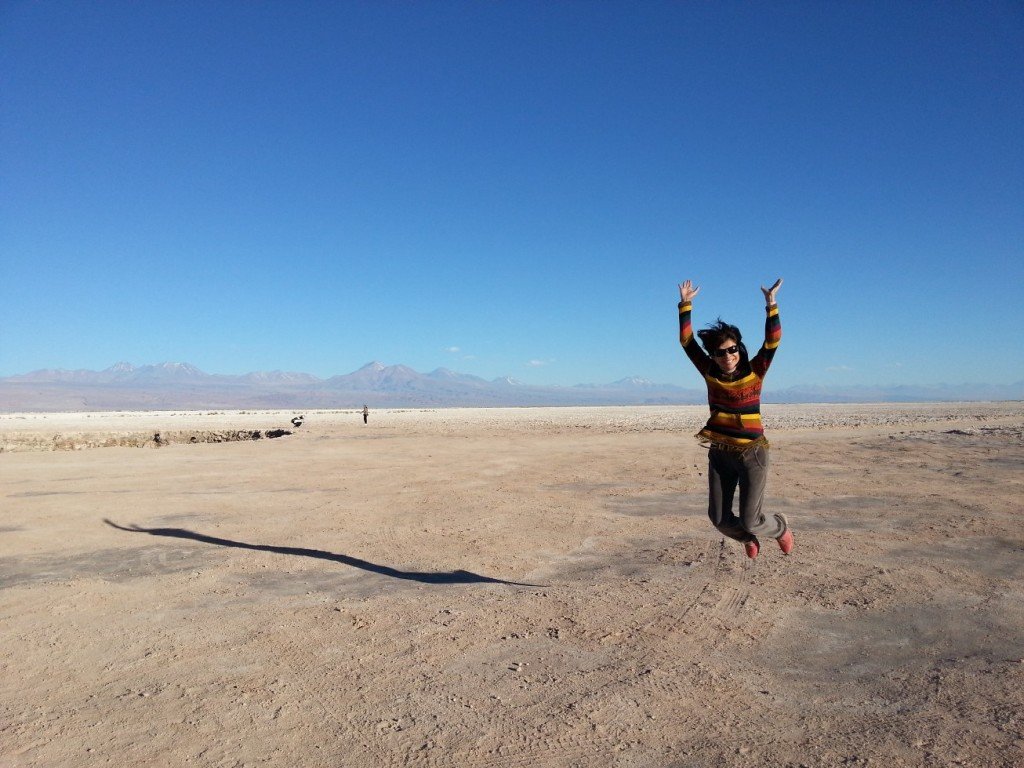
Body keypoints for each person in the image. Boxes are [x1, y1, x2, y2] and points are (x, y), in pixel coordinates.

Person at [677, 278, 793, 559]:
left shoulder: (756, 371)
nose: (727, 356)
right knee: (719, 518)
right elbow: (687, 341)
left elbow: (773, 340)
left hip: (752, 454)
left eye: (731, 349)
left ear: (738, 348)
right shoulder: (709, 372)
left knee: (751, 518)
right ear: (713, 356)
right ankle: (746, 538)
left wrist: (771, 305)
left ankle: (779, 529)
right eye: (720, 352)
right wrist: (685, 304)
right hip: (720, 454)